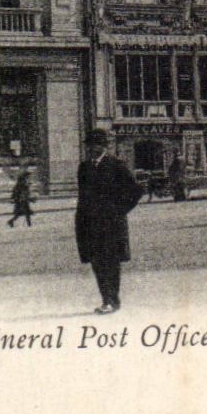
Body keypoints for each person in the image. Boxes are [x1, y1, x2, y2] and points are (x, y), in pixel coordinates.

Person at [75, 129, 142, 314]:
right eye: (89, 145)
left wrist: (118, 211)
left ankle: (113, 300)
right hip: (90, 224)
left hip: (111, 225)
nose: (91, 149)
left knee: (111, 263)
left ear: (104, 146)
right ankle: (106, 299)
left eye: (96, 145)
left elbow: (135, 191)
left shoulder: (116, 165)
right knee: (97, 263)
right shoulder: (84, 168)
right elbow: (82, 198)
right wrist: (80, 221)